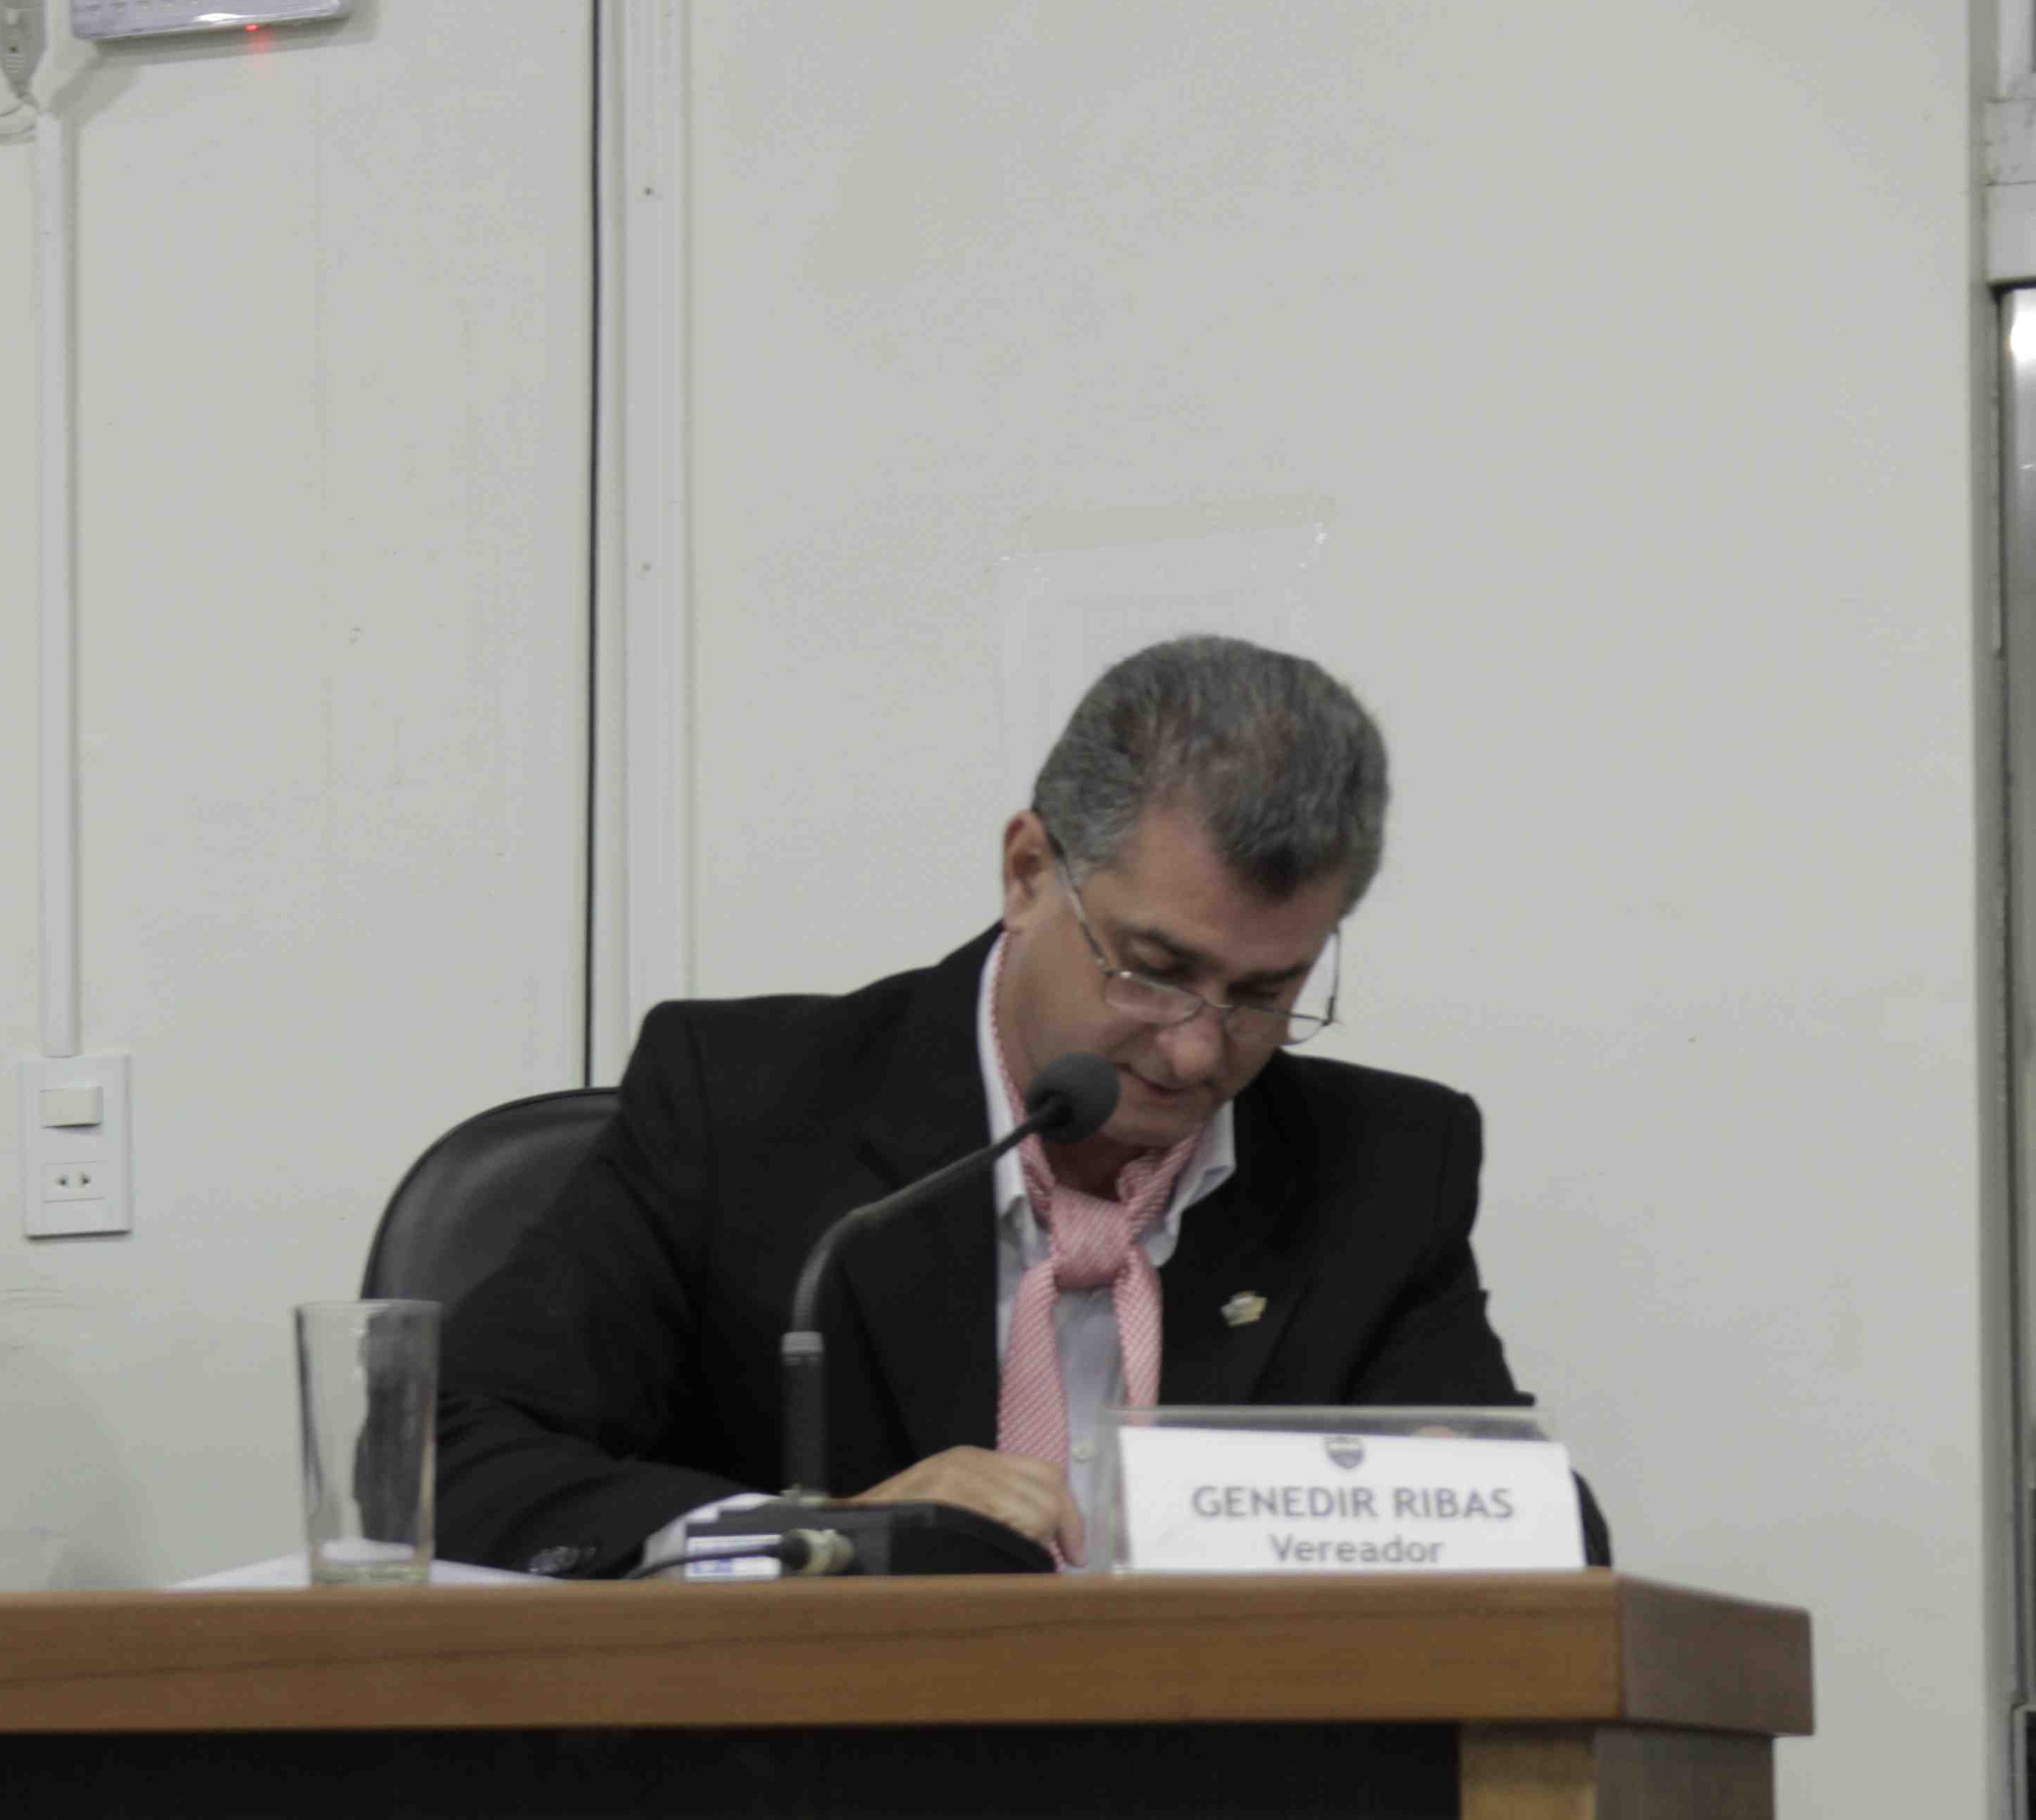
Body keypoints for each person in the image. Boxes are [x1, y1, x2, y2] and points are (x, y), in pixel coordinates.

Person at [438, 634, 1594, 1573]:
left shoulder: (1380, 1166)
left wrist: (1449, 1509)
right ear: (1028, 872)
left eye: (1262, 993)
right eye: (1152, 969)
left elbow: (1562, 1544)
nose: (1196, 1048)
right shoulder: (743, 1105)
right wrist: (816, 1536)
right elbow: (455, 1455)